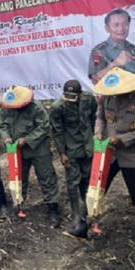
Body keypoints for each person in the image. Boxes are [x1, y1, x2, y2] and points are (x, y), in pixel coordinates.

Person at [93, 67, 135, 252]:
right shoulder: (106, 97)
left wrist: (122, 140)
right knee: (97, 188)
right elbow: (100, 118)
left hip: (132, 154)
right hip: (108, 154)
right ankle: (87, 223)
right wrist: (98, 131)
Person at [0, 86, 60, 227]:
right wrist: (6, 137)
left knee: (46, 177)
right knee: (19, 177)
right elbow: (2, 126)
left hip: (39, 148)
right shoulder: (6, 108)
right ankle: (19, 204)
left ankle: (53, 209)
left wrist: (26, 140)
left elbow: (44, 127)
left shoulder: (36, 108)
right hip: (17, 150)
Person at [50, 80, 98, 238]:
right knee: (72, 182)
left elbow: (94, 118)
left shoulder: (89, 99)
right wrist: (62, 153)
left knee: (88, 180)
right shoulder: (58, 107)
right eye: (67, 96)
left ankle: (88, 213)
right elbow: (58, 131)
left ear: (80, 94)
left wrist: (95, 138)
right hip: (71, 149)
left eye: (73, 96)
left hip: (88, 147)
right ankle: (76, 214)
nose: (69, 99)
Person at [89, 9, 135, 83]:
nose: (121, 29)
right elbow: (95, 80)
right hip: (112, 93)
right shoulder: (99, 50)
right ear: (107, 28)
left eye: (125, 24)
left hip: (134, 93)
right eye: (116, 25)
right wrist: (114, 64)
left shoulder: (131, 48)